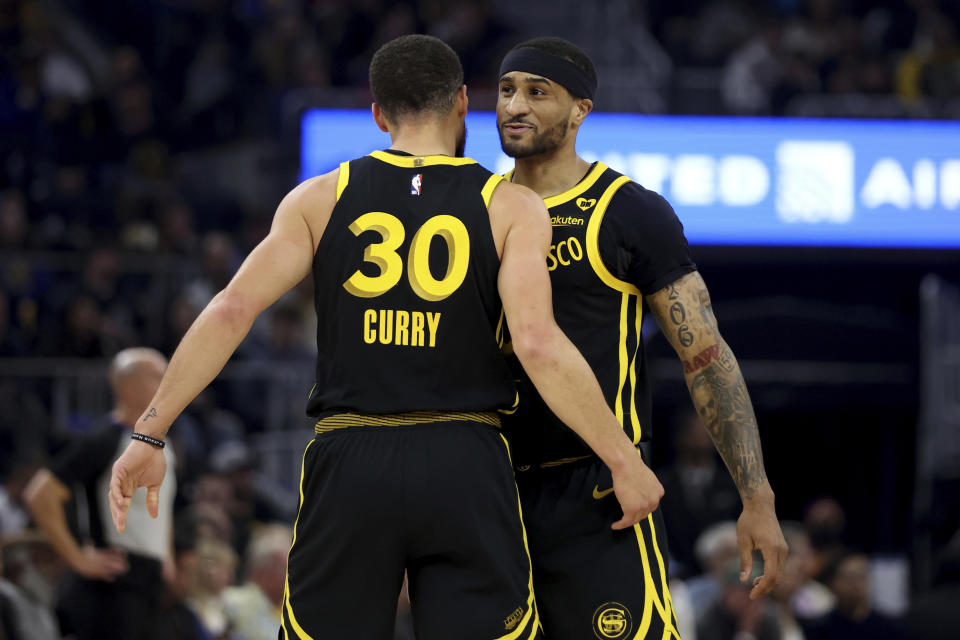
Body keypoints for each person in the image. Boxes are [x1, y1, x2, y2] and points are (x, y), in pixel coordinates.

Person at [109, 34, 661, 640]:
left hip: (352, 456)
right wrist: (622, 457)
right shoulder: (509, 205)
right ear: (461, 103)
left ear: (378, 114)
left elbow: (231, 309)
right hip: (465, 457)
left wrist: (150, 431)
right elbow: (538, 344)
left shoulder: (320, 197)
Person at [495, 37, 788, 639]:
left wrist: (756, 497)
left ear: (580, 110)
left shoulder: (629, 210)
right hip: (485, 486)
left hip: (598, 490)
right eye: (505, 90)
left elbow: (705, 356)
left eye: (536, 91)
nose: (513, 106)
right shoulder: (474, 209)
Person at [23, 347, 176, 640]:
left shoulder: (163, 443)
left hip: (149, 584)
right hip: (113, 583)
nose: (166, 383)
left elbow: (162, 506)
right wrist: (78, 558)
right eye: (157, 376)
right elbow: (39, 494)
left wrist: (165, 555)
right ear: (128, 385)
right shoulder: (105, 439)